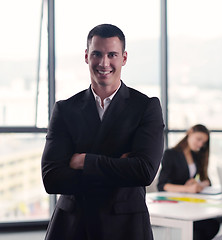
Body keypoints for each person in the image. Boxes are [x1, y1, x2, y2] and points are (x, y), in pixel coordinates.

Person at [41, 24, 165, 240]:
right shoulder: (65, 109)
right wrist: (120, 166)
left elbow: (144, 171)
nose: (104, 62)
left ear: (124, 58)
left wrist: (84, 161)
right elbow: (51, 179)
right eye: (97, 54)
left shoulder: (145, 107)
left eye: (112, 55)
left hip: (126, 227)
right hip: (72, 226)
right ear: (87, 56)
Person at [157, 124, 220, 240]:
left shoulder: (196, 155)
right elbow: (162, 185)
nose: (200, 144)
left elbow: (207, 180)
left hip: (189, 203)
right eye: (199, 139)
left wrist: (199, 185)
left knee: (213, 224)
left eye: (203, 142)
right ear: (190, 133)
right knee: (207, 227)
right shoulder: (170, 154)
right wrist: (187, 188)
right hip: (174, 204)